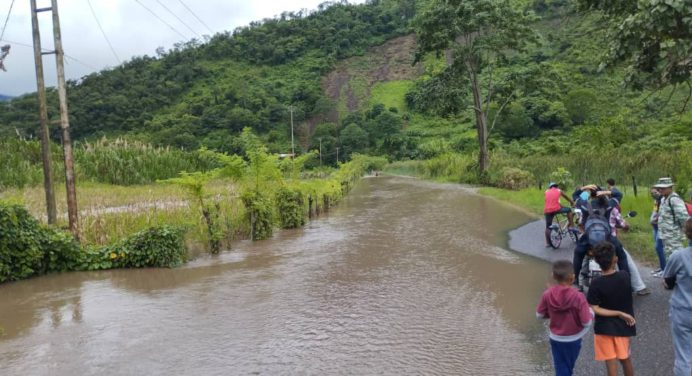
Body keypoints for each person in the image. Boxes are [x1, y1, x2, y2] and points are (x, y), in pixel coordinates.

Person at [587, 241, 636, 376]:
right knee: (625, 359)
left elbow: (595, 308)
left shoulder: (596, 283)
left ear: (597, 261)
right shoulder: (625, 276)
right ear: (615, 259)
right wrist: (620, 313)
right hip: (623, 327)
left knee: (610, 361)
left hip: (604, 328)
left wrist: (618, 313)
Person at [536, 260, 594, 376]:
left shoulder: (547, 294)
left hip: (556, 338)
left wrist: (551, 313)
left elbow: (539, 315)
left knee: (561, 366)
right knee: (567, 367)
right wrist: (591, 312)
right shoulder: (578, 296)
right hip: (573, 339)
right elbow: (586, 322)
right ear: (572, 277)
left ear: (553, 275)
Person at [662, 218, 692, 376]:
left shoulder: (678, 256)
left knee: (683, 356)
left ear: (687, 234)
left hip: (683, 311)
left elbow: (667, 281)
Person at [655, 177, 689, 256]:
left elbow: (684, 218)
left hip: (674, 236)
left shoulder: (674, 199)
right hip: (665, 235)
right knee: (669, 257)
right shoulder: (663, 199)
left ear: (670, 188)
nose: (660, 190)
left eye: (663, 188)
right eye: (659, 188)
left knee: (676, 257)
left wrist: (684, 232)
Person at [545, 182, 576, 247]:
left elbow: (552, 203)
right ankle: (572, 226)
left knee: (548, 227)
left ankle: (548, 243)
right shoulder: (559, 190)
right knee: (569, 210)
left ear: (550, 187)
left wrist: (562, 206)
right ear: (556, 186)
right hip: (556, 209)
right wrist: (572, 202)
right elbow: (566, 197)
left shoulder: (546, 192)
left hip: (547, 210)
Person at [650, 187, 667, 277]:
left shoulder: (663, 200)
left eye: (655, 192)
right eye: (652, 193)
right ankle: (661, 267)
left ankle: (665, 269)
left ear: (659, 191)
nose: (653, 194)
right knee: (658, 248)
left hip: (661, 227)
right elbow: (655, 211)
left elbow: (662, 214)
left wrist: (655, 220)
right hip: (655, 227)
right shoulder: (656, 201)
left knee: (659, 247)